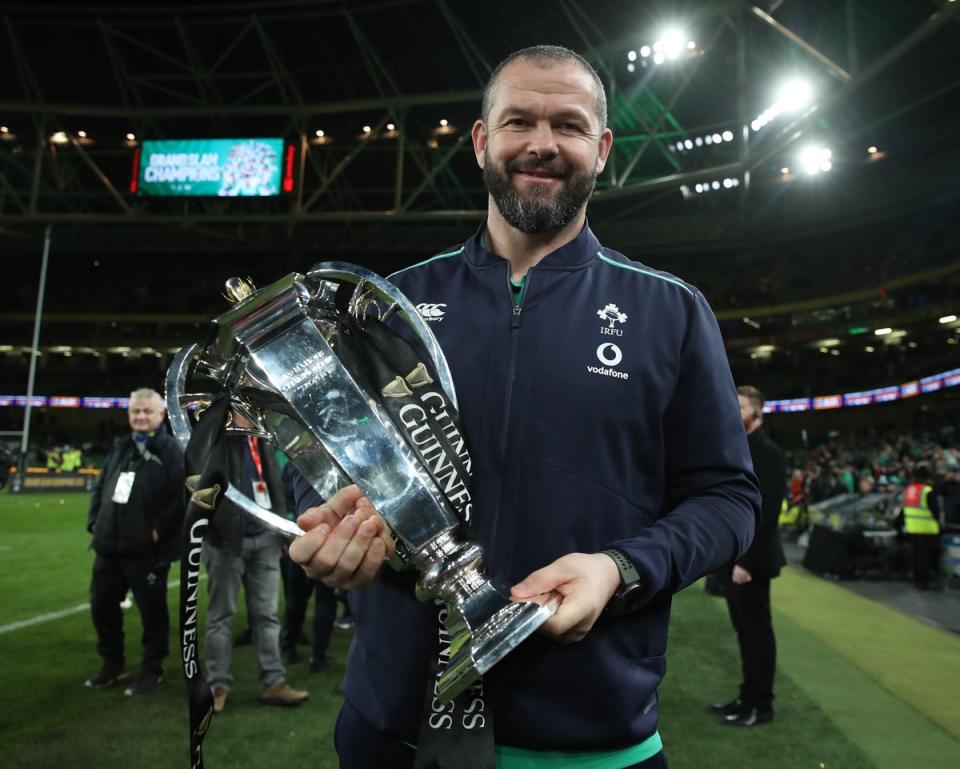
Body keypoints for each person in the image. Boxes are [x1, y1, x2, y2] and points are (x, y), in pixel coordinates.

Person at [290, 45, 760, 769]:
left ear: (601, 149)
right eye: (519, 122)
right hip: (395, 731)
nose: (542, 144)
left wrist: (620, 569)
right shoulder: (388, 307)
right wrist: (338, 527)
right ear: (483, 141)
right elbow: (321, 466)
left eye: (568, 125)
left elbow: (727, 499)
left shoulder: (671, 311)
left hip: (593, 741)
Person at [202, 415, 309, 712]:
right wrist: (215, 531)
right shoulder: (215, 440)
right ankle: (217, 686)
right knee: (220, 617)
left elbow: (273, 483)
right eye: (242, 408)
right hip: (226, 542)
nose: (250, 413)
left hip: (265, 539)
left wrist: (281, 534)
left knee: (267, 617)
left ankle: (274, 683)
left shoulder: (261, 438)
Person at [85, 388, 185, 695]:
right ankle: (112, 664)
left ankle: (151, 669)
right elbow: (102, 484)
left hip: (147, 550)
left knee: (151, 613)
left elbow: (183, 496)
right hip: (109, 545)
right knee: (102, 607)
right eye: (135, 412)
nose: (140, 417)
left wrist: (157, 530)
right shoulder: (121, 445)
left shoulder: (171, 450)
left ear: (161, 414)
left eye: (146, 412)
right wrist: (94, 520)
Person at [711, 385, 787, 727]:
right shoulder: (738, 448)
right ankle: (746, 698)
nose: (734, 411)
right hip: (736, 559)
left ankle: (762, 705)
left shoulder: (768, 453)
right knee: (744, 632)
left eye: (740, 406)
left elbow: (766, 513)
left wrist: (746, 562)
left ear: (757, 412)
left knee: (757, 633)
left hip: (752, 562)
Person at [900, 466, 940, 589]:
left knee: (915, 554)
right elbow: (935, 510)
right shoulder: (927, 490)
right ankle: (923, 582)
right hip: (926, 527)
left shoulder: (908, 489)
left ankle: (915, 579)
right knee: (924, 557)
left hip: (912, 527)